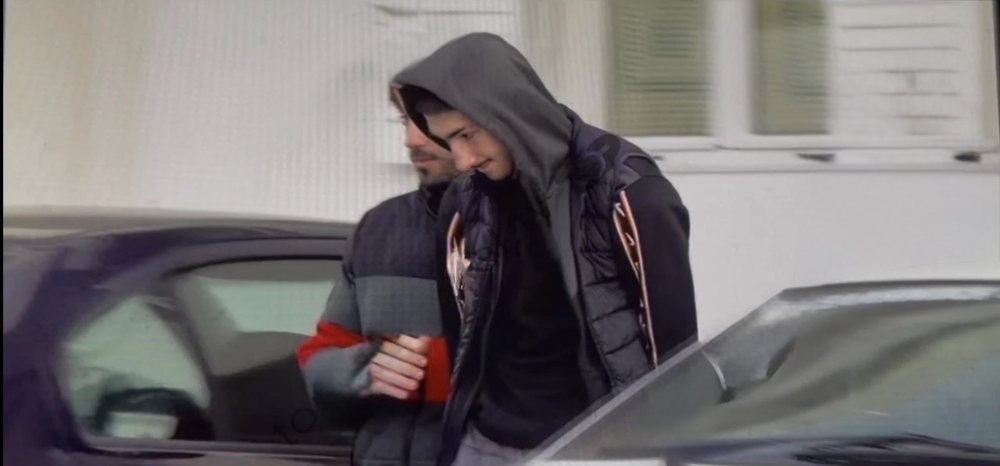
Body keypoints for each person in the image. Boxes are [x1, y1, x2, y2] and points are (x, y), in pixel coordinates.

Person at [394, 33, 698, 466]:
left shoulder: (626, 190)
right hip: (485, 444)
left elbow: (675, 351)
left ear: (507, 110)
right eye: (448, 142)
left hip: (597, 448)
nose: (462, 160)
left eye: (467, 134)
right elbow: (461, 335)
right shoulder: (463, 204)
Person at [297, 89, 461, 466]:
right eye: (404, 120)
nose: (411, 140)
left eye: (424, 121)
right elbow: (320, 357)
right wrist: (362, 370)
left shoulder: (540, 228)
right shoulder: (378, 227)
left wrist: (433, 370)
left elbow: (567, 373)